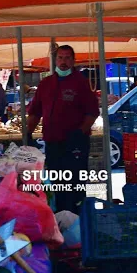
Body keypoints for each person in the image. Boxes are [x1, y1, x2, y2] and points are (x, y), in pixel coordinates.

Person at [27, 45, 100, 214]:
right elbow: (35, 112)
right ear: (55, 60)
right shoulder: (45, 84)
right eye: (60, 58)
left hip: (75, 143)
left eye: (67, 58)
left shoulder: (81, 83)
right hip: (53, 143)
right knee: (57, 182)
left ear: (73, 61)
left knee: (75, 183)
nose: (63, 62)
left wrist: (80, 132)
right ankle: (60, 216)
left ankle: (78, 218)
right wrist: (27, 133)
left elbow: (92, 112)